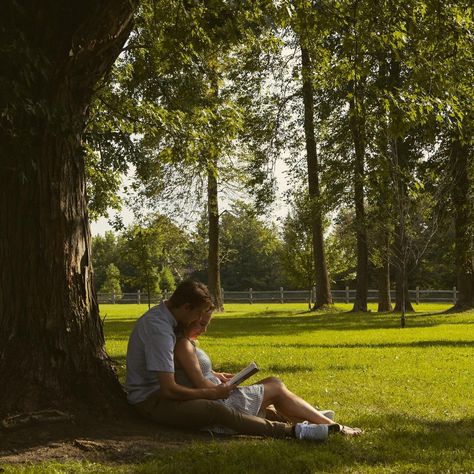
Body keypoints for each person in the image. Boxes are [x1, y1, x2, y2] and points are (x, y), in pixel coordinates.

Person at [125, 279, 360, 440]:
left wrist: (214, 377)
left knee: (256, 399)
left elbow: (182, 372)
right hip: (152, 402)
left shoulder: (168, 323)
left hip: (165, 397)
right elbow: (167, 389)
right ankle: (296, 431)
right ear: (186, 307)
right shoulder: (159, 329)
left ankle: (313, 423)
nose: (198, 322)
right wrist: (211, 392)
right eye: (198, 315)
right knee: (216, 409)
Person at [174, 309, 362, 438]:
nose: (204, 329)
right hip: (220, 401)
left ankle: (312, 418)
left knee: (272, 386)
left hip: (218, 394)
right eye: (201, 324)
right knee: (275, 387)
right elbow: (200, 383)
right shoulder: (182, 344)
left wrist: (217, 374)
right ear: (189, 318)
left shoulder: (186, 343)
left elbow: (194, 371)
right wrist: (222, 387)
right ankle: (329, 424)